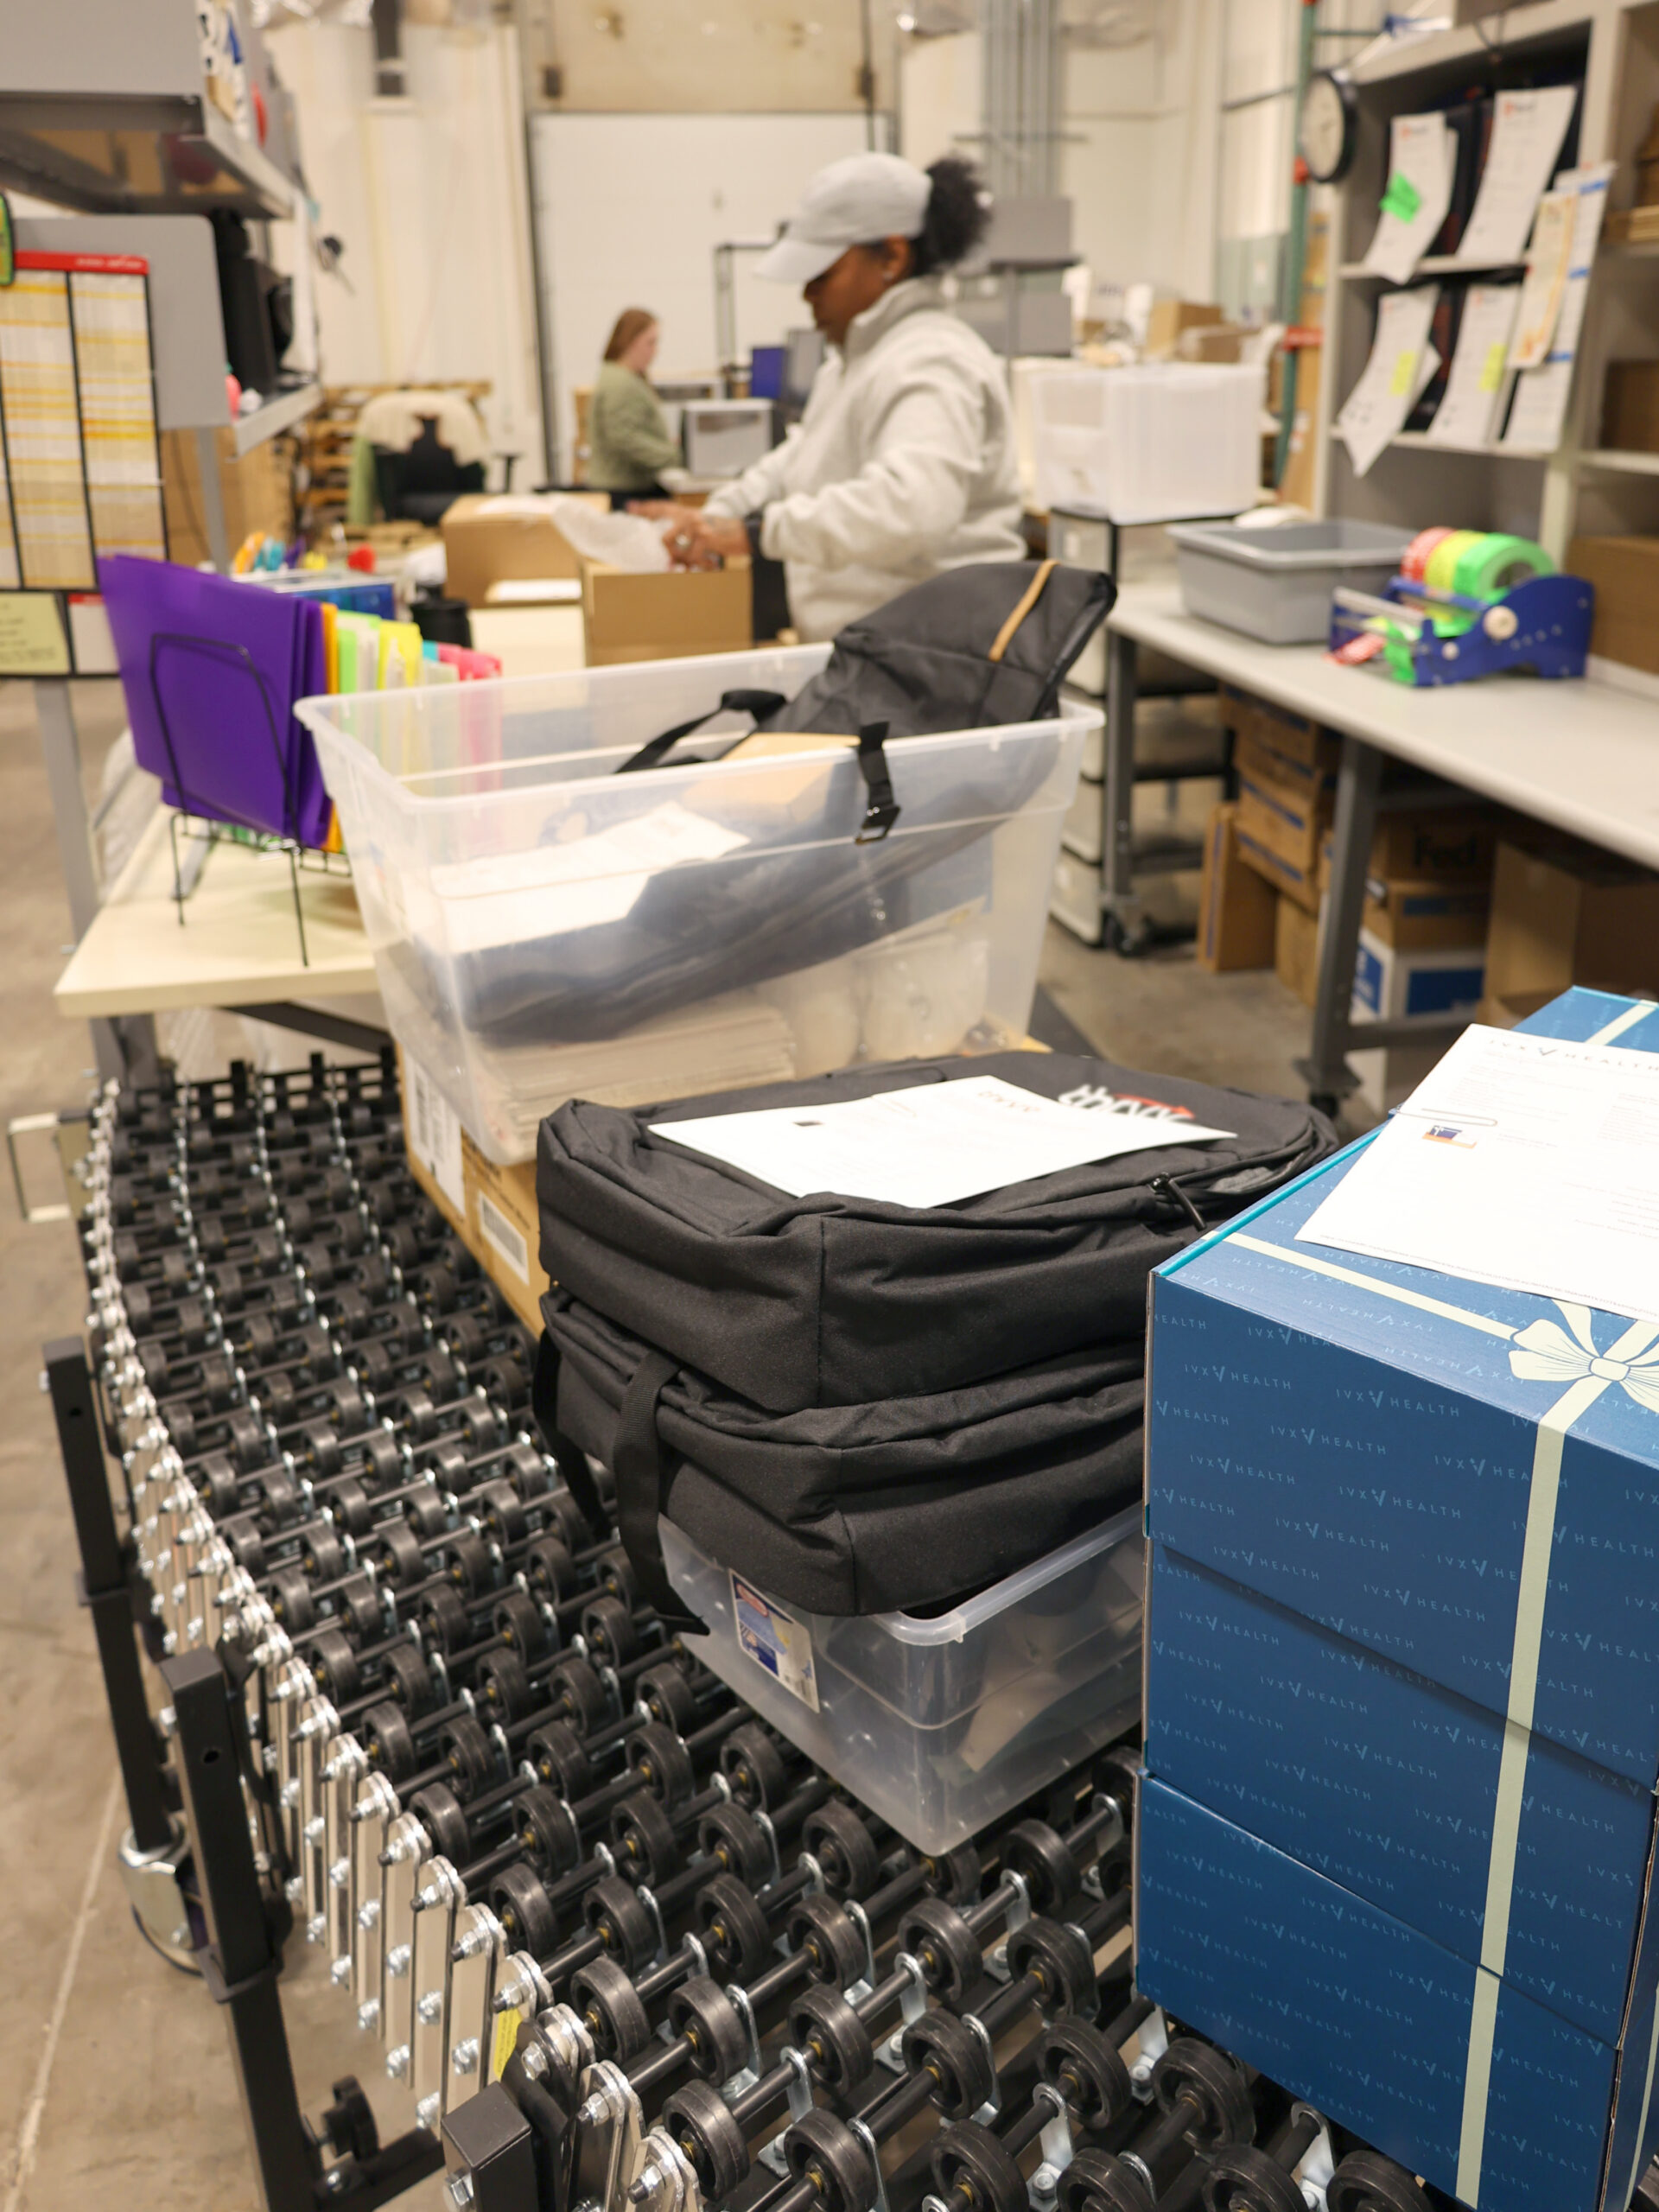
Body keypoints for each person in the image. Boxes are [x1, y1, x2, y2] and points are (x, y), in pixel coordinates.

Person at [651, 152, 1024, 641]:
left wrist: (762, 533)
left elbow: (910, 508)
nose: (808, 294)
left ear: (891, 257)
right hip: (870, 657)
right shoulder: (855, 361)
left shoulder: (931, 358)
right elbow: (802, 456)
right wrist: (723, 512)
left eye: (822, 274)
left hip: (931, 668)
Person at [588, 309, 683, 506]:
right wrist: (675, 455)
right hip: (623, 492)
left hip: (627, 487)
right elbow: (624, 438)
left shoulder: (624, 377)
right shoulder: (620, 383)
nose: (655, 350)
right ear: (629, 341)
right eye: (651, 342)